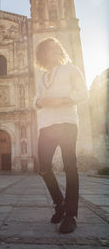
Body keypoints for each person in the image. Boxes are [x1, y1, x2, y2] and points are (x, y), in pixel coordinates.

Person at [34, 37, 88, 234]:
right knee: (43, 168)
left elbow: (83, 93)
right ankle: (60, 204)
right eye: (50, 48)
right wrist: (39, 102)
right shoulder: (42, 77)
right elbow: (36, 98)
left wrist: (64, 100)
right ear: (43, 54)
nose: (55, 50)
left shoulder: (71, 69)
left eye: (57, 47)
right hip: (46, 125)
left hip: (66, 122)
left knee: (69, 167)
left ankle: (71, 215)